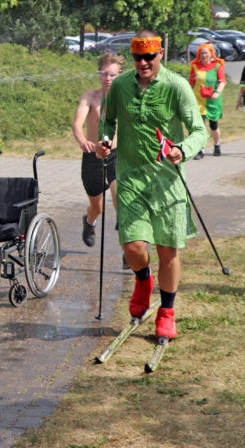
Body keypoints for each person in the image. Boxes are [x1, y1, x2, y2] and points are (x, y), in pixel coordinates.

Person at [97, 31, 207, 339]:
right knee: (133, 245)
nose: (143, 63)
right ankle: (143, 280)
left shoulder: (176, 85)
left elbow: (199, 130)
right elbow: (108, 119)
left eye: (149, 57)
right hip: (131, 177)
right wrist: (104, 140)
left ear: (160, 54)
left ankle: (167, 313)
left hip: (167, 181)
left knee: (167, 249)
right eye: (137, 57)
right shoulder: (120, 86)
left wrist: (182, 149)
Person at [72, 53, 126, 267]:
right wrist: (83, 141)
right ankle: (89, 222)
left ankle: (128, 249)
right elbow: (77, 124)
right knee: (98, 207)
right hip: (92, 155)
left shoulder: (125, 97)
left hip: (116, 155)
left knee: (120, 199)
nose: (107, 78)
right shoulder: (90, 96)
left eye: (112, 74)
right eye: (104, 74)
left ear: (120, 75)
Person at [189, 42, 226, 158]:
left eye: (206, 53)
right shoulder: (195, 67)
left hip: (213, 101)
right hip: (199, 101)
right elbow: (191, 83)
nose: (204, 55)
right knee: (200, 126)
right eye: (201, 53)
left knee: (213, 126)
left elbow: (222, 82)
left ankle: (217, 145)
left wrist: (217, 92)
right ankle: (200, 150)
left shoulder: (217, 66)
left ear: (211, 54)